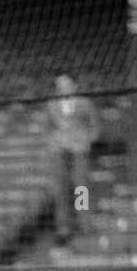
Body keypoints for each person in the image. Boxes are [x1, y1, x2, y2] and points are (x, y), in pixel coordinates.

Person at [48, 74, 100, 244]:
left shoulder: (85, 103)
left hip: (79, 149)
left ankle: (84, 223)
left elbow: (94, 126)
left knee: (80, 187)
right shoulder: (51, 105)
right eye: (60, 86)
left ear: (75, 86)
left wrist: (86, 141)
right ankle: (63, 227)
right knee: (60, 188)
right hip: (59, 150)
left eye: (67, 85)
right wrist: (54, 142)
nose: (63, 89)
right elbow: (48, 128)